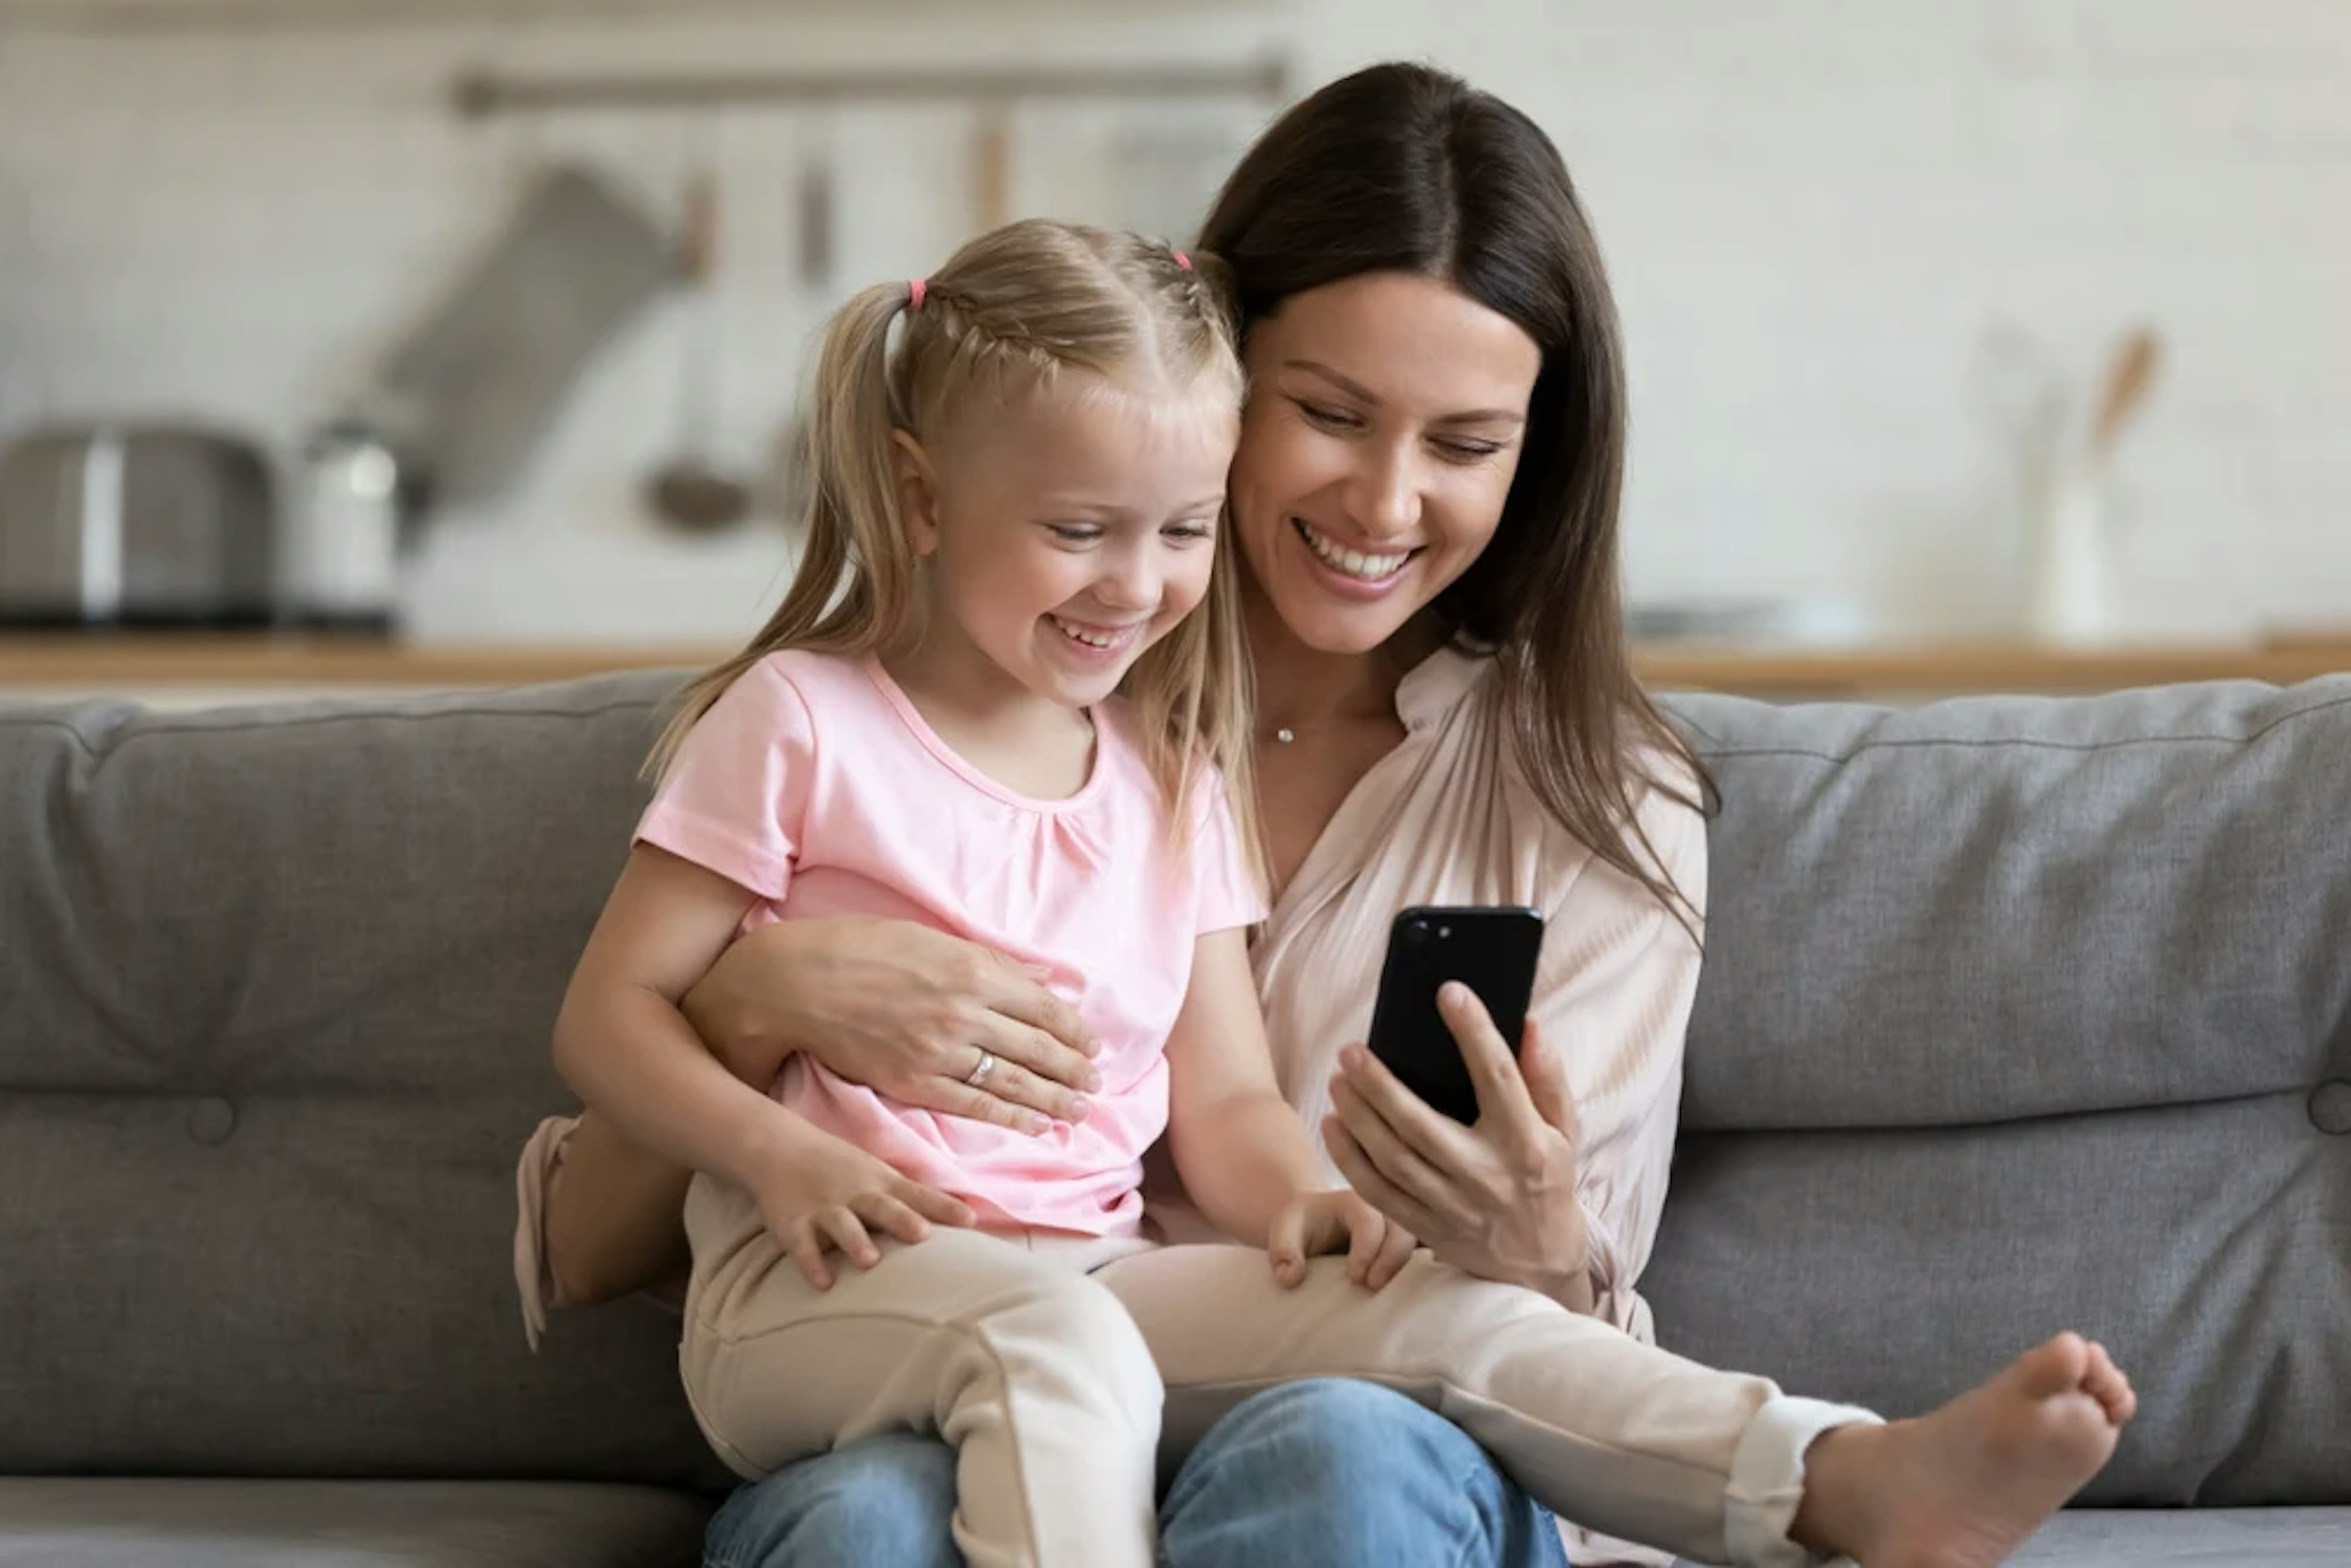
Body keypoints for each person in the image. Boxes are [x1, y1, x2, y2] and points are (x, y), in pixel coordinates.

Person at [518, 63, 2136, 1568]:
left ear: (1535, 459)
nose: (1382, 502)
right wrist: (755, 1007)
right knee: (882, 1505)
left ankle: (1838, 1479)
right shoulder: (864, 715)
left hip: (1185, 1333)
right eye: (1334, 413)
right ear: (1221, 381)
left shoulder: (1371, 791)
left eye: (1466, 442)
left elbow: (1239, 1116)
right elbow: (597, 1235)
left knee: (1368, 1406)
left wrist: (1462, 1224)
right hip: (911, 1325)